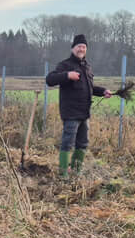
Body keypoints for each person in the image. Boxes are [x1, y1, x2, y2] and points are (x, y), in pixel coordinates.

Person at [45, 35, 113, 179]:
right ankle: (63, 173)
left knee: (83, 143)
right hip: (70, 112)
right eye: (79, 46)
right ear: (73, 48)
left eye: (83, 47)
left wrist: (103, 91)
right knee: (68, 143)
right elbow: (50, 79)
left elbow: (89, 88)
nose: (81, 49)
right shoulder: (65, 65)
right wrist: (67, 75)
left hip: (84, 112)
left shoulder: (87, 67)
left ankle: (76, 172)